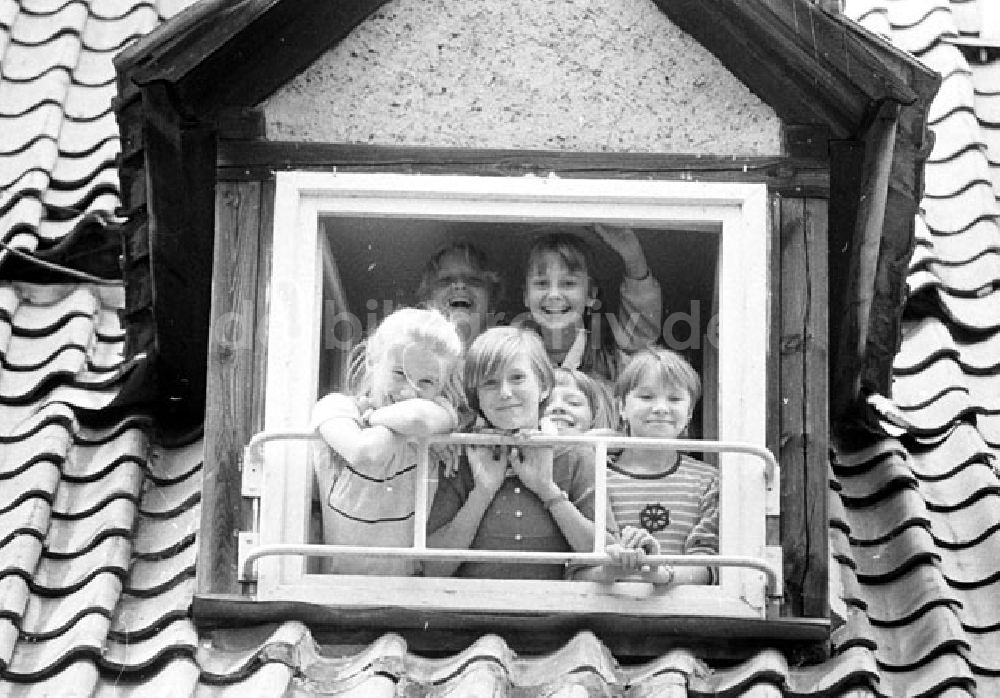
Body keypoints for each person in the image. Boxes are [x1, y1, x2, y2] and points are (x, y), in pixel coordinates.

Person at [425, 327, 607, 579]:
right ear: (476, 398)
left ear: (544, 387)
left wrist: (546, 488)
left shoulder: (577, 454)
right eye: (490, 383)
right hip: (469, 611)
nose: (505, 393)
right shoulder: (459, 452)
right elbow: (433, 568)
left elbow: (606, 553)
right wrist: (482, 492)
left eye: (517, 378)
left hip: (556, 612)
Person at [311, 307, 466, 575]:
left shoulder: (437, 411)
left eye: (426, 381)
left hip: (402, 593)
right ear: (372, 360)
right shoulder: (336, 408)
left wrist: (375, 417)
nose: (409, 391)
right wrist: (396, 424)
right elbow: (366, 452)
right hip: (336, 587)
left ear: (442, 387)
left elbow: (418, 417)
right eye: (399, 374)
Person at [576, 348, 718, 585]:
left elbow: (709, 565)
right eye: (646, 397)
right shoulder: (594, 475)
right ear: (621, 407)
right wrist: (615, 569)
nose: (661, 408)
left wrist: (659, 573)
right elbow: (576, 572)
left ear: (690, 412)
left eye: (674, 399)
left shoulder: (708, 480)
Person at [520, 224, 661, 381]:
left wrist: (634, 259)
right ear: (526, 295)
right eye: (542, 284)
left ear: (591, 294)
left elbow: (640, 336)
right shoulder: (512, 358)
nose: (553, 295)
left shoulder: (614, 364)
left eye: (568, 283)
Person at [416, 241, 503, 346]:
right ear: (427, 298)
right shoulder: (410, 355)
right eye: (446, 280)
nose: (460, 285)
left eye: (473, 280)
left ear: (492, 298)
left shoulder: (508, 358)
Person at [543, 367, 616, 435]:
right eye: (546, 403)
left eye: (573, 403)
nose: (557, 406)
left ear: (594, 414)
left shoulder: (603, 447)